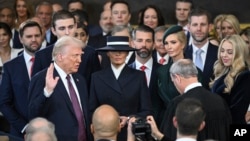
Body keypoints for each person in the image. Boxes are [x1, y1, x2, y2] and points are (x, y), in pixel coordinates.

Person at [28, 36, 91, 141]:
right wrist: (47, 92)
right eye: (75, 55)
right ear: (60, 56)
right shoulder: (41, 79)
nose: (80, 60)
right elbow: (33, 115)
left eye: (81, 56)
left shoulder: (80, 79)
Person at [90, 36, 152, 141]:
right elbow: (91, 110)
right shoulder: (97, 77)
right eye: (114, 51)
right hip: (105, 136)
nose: (118, 54)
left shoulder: (138, 76)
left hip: (130, 134)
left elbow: (147, 110)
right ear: (108, 53)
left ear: (127, 53)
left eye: (122, 51)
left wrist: (129, 119)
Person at [161, 59, 231, 141]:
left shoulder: (178, 104)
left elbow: (169, 135)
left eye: (173, 82)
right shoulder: (220, 101)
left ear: (177, 78)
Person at [31, 10, 100, 87]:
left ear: (76, 26)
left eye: (70, 27)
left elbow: (95, 87)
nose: (67, 32)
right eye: (62, 28)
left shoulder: (90, 53)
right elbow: (36, 89)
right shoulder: (41, 56)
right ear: (53, 30)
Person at [0, 20, 42, 138]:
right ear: (21, 38)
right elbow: (4, 103)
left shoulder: (52, 63)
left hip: (51, 130)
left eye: (37, 35)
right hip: (20, 132)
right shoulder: (10, 67)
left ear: (42, 36)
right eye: (29, 36)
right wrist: (24, 127)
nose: (33, 39)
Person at [157, 25, 202, 118]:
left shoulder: (195, 71)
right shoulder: (161, 71)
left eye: (173, 42)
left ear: (183, 44)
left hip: (189, 118)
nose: (169, 47)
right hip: (166, 119)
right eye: (166, 43)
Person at [210, 35, 250, 124]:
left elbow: (237, 111)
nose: (224, 55)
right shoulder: (223, 71)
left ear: (239, 54)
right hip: (219, 125)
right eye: (222, 51)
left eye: (230, 52)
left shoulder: (244, 76)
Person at [128, 25, 163, 126]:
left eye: (148, 41)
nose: (144, 44)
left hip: (159, 127)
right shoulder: (126, 72)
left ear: (153, 44)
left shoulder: (163, 72)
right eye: (139, 40)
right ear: (132, 43)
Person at [185, 8, 218, 90]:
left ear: (210, 27)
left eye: (203, 24)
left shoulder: (219, 53)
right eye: (195, 25)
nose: (199, 29)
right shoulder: (182, 54)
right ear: (189, 27)